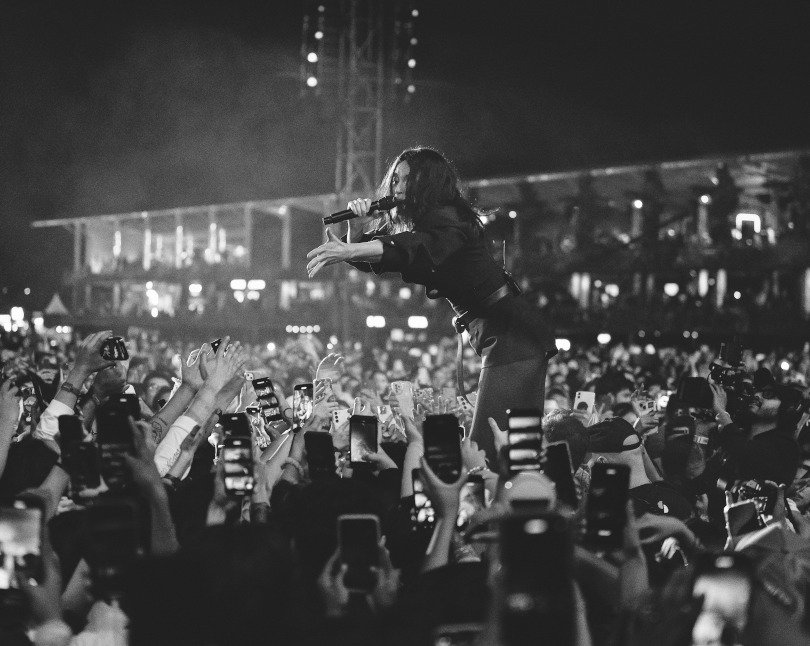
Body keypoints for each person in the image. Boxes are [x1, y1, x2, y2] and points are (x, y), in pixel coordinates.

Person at [306, 146, 557, 461]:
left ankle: (501, 504)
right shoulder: (429, 222)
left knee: (491, 448)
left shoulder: (447, 221)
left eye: (406, 180)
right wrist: (355, 234)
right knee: (511, 445)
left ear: (429, 184)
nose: (396, 187)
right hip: (507, 335)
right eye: (394, 179)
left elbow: (412, 249)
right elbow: (393, 259)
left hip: (513, 336)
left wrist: (350, 251)